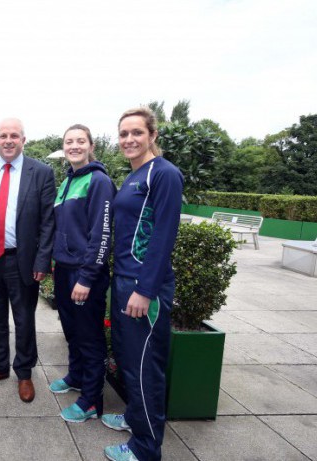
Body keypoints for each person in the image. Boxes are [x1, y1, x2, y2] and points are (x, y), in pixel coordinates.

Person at [102, 108, 183, 461]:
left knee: (145, 366)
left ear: (152, 135)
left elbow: (163, 236)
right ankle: (136, 417)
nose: (129, 140)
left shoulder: (164, 174)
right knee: (129, 359)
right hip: (123, 281)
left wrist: (145, 289)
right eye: (123, 134)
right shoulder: (137, 175)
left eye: (136, 132)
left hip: (141, 287)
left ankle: (146, 448)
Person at [0, 118, 55, 402]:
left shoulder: (41, 172)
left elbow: (48, 222)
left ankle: (24, 373)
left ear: (23, 140)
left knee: (24, 319)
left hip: (22, 260)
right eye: (3, 135)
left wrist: (43, 262)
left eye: (14, 136)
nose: (8, 140)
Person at [48, 124, 116, 422]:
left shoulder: (98, 181)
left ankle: (91, 400)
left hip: (84, 274)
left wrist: (87, 277)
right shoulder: (67, 182)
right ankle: (76, 376)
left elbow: (102, 235)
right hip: (63, 271)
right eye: (68, 142)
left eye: (80, 141)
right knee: (72, 332)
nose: (74, 146)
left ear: (91, 146)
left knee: (89, 336)